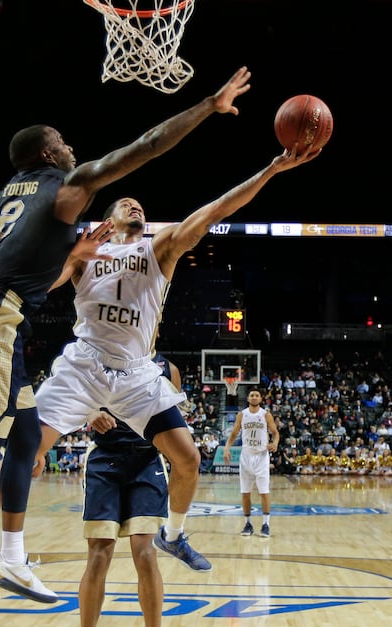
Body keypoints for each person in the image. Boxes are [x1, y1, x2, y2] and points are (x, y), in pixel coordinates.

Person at [0, 66, 254, 627]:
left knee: (35, 441)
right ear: (52, 153)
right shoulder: (74, 217)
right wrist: (209, 105)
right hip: (57, 351)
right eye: (65, 144)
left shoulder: (144, 239)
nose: (74, 149)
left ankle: (26, 554)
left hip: (100, 360)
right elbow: (144, 148)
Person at [32, 144, 321, 570]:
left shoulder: (159, 247)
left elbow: (214, 210)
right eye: (126, 202)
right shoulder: (86, 253)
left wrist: (272, 169)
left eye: (140, 205)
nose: (135, 206)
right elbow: (41, 287)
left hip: (136, 372)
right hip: (86, 365)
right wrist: (73, 256)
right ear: (108, 219)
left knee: (188, 459)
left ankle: (173, 534)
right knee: (25, 456)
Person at [66, 352, 183, 627]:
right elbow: (72, 401)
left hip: (147, 460)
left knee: (145, 552)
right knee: (99, 553)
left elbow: (172, 422)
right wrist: (91, 413)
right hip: (104, 459)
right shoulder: (96, 355)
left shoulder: (167, 369)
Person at [223, 387, 280, 538]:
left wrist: (275, 443)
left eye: (257, 395)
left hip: (261, 456)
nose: (254, 397)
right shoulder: (242, 415)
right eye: (252, 395)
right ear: (248, 398)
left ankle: (266, 524)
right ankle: (247, 523)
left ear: (261, 399)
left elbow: (275, 432)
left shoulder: (265, 415)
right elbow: (234, 433)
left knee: (264, 492)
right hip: (246, 456)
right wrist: (227, 448)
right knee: (245, 492)